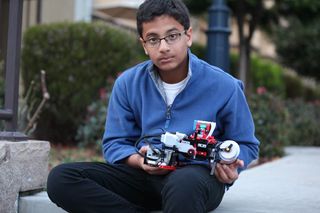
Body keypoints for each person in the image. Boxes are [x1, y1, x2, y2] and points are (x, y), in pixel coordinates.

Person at [47, 0, 259, 212]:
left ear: (189, 36)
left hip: (196, 177)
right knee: (61, 178)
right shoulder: (128, 84)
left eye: (172, 36)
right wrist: (140, 161)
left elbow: (247, 143)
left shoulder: (224, 86)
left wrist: (231, 165)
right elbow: (114, 143)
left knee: (184, 185)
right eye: (153, 39)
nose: (164, 47)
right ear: (144, 45)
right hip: (143, 177)